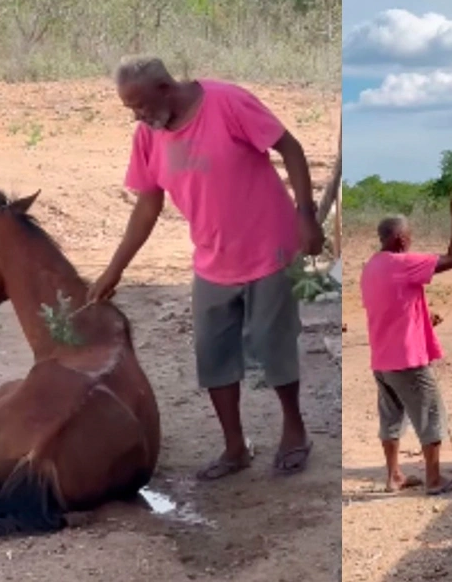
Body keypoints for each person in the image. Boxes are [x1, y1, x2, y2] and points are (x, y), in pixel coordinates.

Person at [87, 55, 325, 481]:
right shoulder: (149, 136)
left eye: (139, 105)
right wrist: (115, 269)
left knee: (274, 346)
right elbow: (147, 206)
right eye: (130, 110)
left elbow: (290, 147)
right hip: (212, 258)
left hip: (270, 248)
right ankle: (235, 447)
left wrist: (306, 214)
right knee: (213, 356)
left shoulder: (227, 102)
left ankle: (295, 431)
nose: (138, 116)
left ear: (164, 88)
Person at [359, 194, 452, 495]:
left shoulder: (372, 267)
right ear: (400, 239)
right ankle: (434, 480)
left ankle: (393, 475)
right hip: (408, 361)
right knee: (430, 415)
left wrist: (424, 317)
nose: (410, 241)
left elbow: (392, 306)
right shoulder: (403, 262)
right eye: (408, 236)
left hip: (382, 359)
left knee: (391, 420)